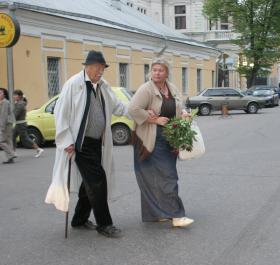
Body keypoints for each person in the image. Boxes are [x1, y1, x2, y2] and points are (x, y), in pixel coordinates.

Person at [45, 50, 128, 238]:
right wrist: (65, 140)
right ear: (87, 67)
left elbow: (118, 106)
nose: (100, 72)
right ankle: (104, 224)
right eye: (97, 68)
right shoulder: (74, 84)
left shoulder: (103, 86)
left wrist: (140, 112)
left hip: (97, 143)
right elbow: (61, 113)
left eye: (103, 69)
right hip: (80, 143)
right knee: (98, 180)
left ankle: (79, 219)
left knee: (88, 183)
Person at [129, 58, 194, 228]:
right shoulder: (146, 89)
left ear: (167, 73)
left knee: (155, 177)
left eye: (160, 70)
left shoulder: (171, 88)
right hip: (151, 139)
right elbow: (133, 109)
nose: (157, 73)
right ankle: (177, 215)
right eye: (154, 70)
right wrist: (155, 120)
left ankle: (155, 214)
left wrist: (185, 113)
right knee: (168, 176)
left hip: (169, 138)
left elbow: (178, 106)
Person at [12, 90, 44, 157]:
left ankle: (38, 149)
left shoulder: (20, 104)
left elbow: (15, 114)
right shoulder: (19, 103)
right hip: (19, 124)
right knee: (13, 136)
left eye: (15, 95)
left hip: (21, 124)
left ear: (19, 96)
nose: (13, 96)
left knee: (25, 138)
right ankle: (13, 152)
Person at [0, 88, 16, 164]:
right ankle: (10, 158)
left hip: (6, 124)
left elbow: (4, 115)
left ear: (4, 94)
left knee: (2, 141)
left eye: (0, 93)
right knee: (9, 141)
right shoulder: (3, 102)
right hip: (8, 123)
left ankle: (12, 154)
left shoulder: (5, 102)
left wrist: (2, 127)